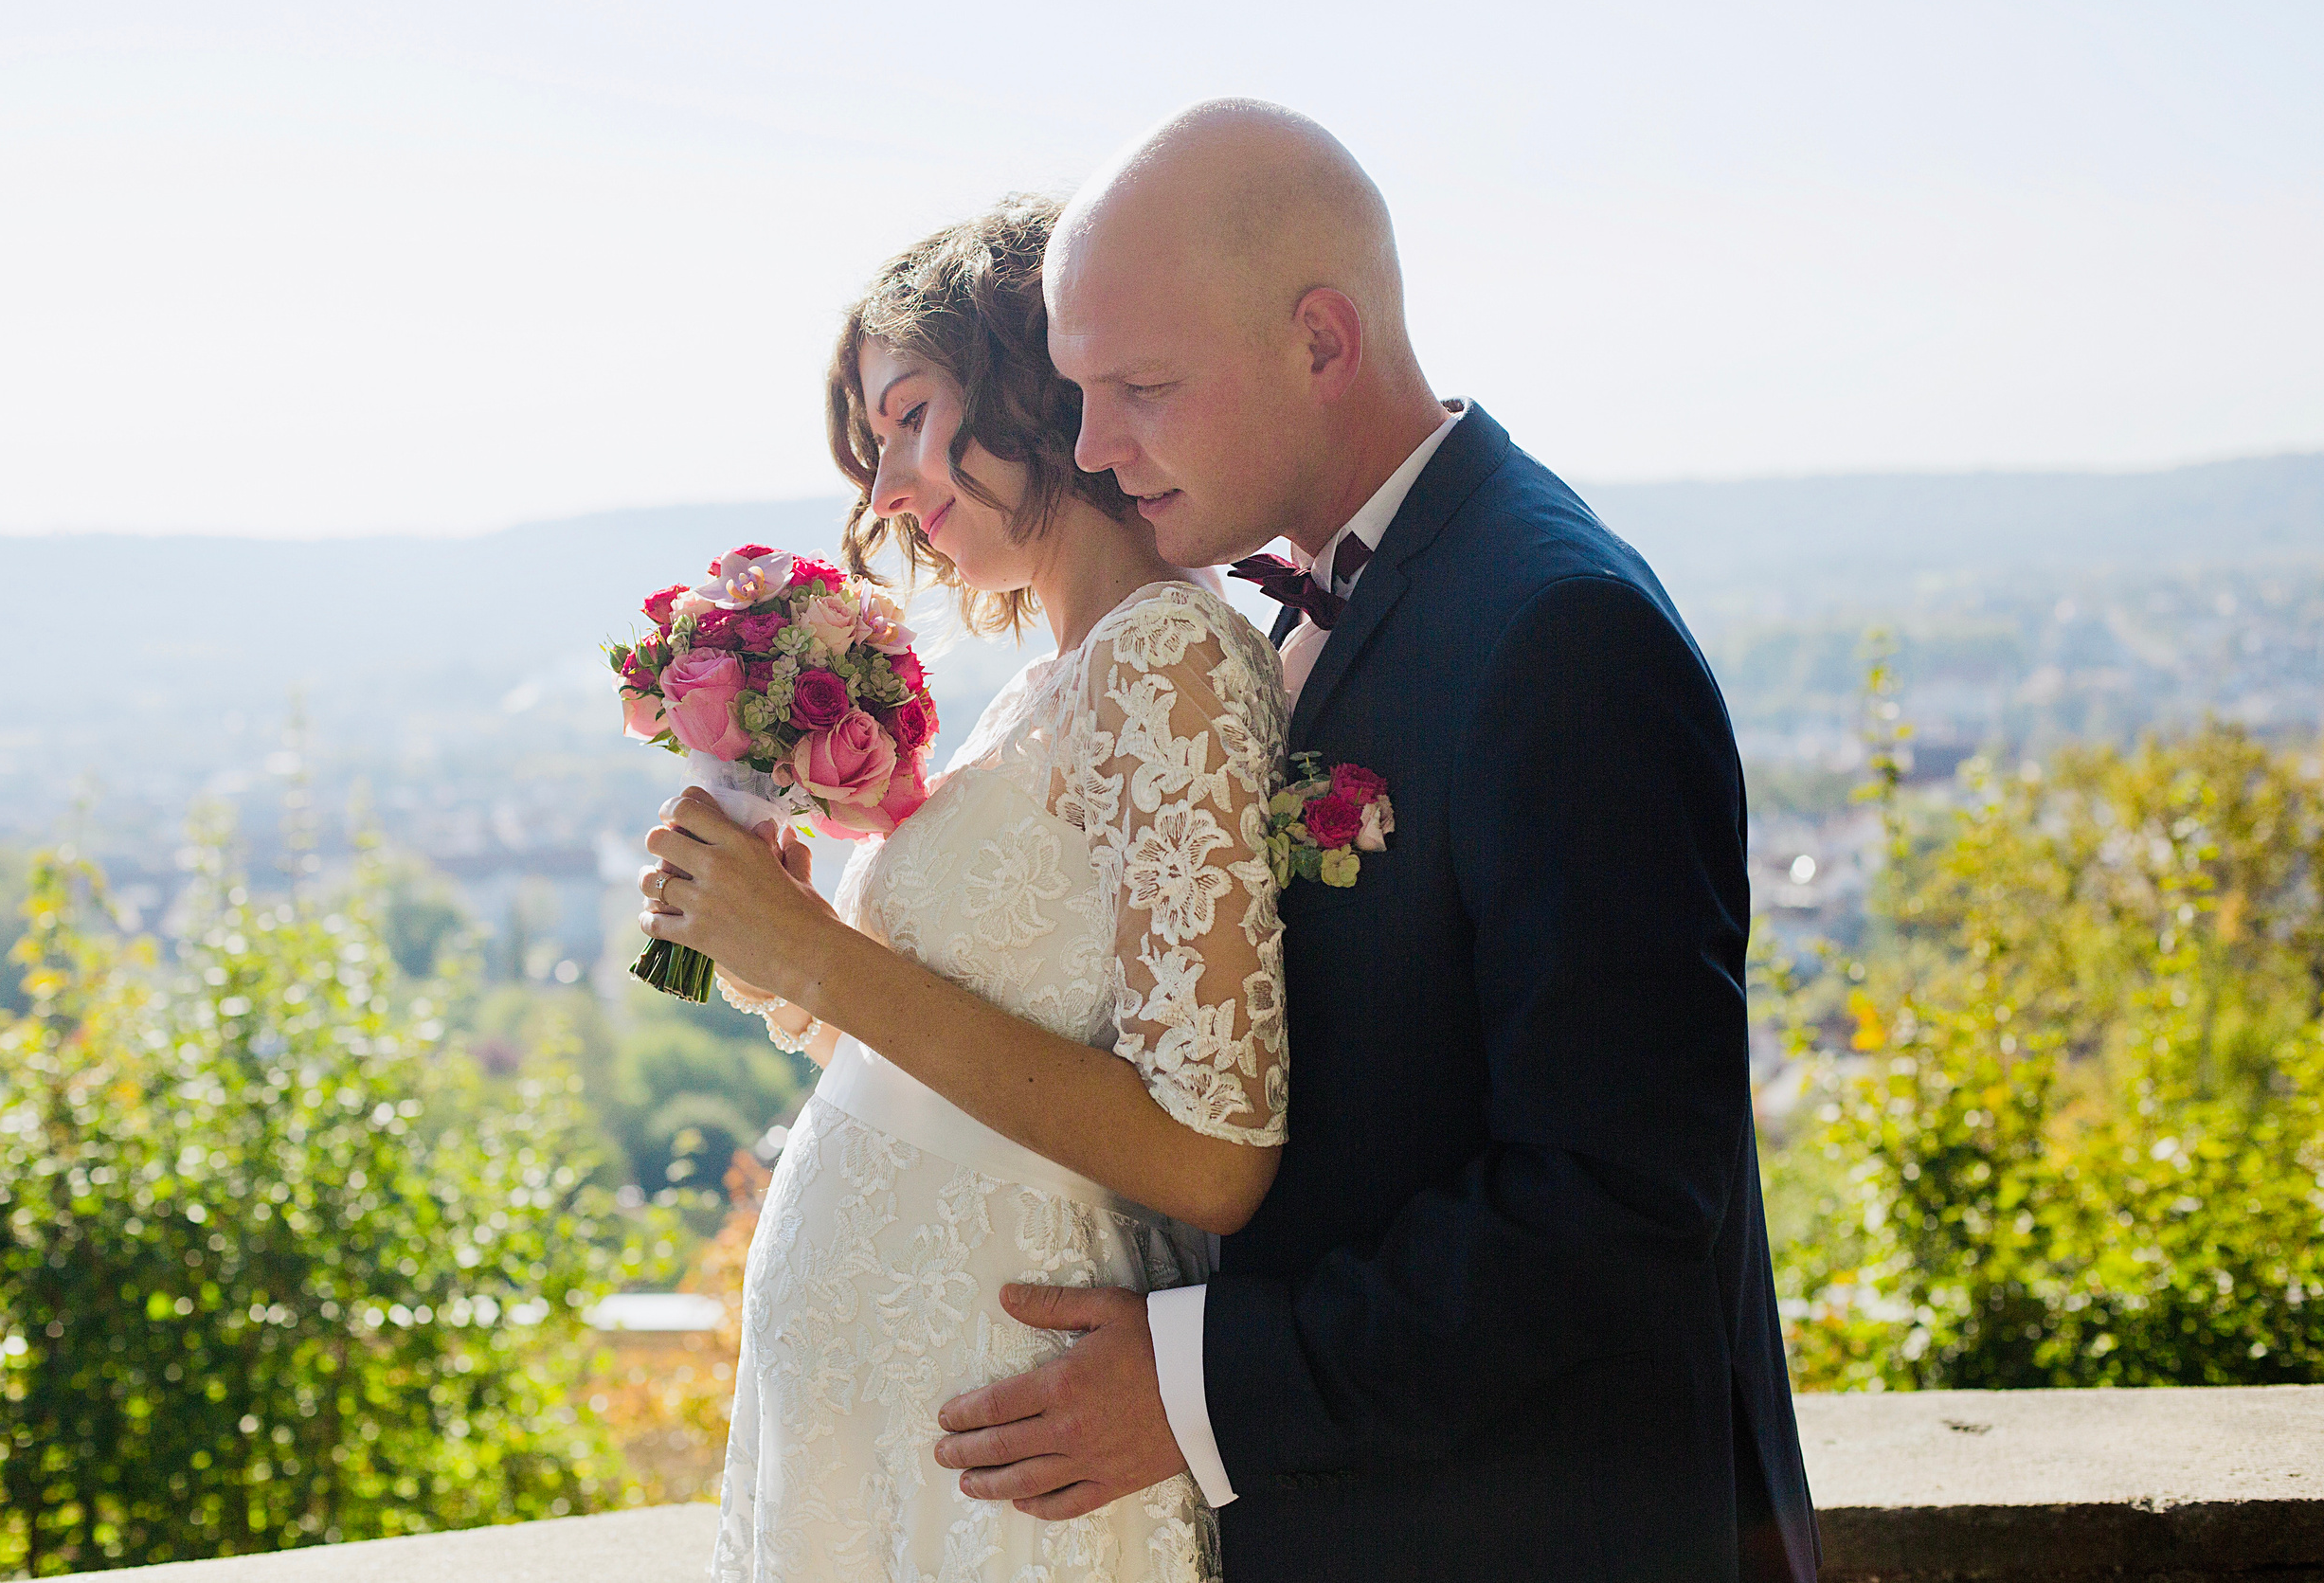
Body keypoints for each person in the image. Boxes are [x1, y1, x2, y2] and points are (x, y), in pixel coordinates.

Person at [923, 101, 1823, 1582]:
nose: (1092, 448)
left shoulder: (1558, 635)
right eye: (1079, 393)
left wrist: (1202, 1388)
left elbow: (1614, 1208)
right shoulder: (1303, 601)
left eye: (1141, 387)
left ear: (1323, 344)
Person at [637, 192, 1290, 1582]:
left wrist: (819, 959)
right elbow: (936, 1050)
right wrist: (769, 931)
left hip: (1006, 1411)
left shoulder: (1169, 659)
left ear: (1035, 381)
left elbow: (1212, 1154)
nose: (887, 493)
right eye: (873, 450)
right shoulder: (1044, 689)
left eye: (914, 417)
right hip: (885, 1415)